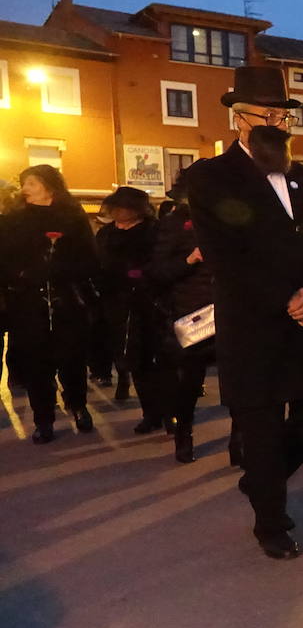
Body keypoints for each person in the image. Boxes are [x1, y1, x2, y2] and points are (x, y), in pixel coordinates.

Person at [185, 66, 303, 560]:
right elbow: (228, 258)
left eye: (283, 114)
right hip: (253, 325)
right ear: (238, 118)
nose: (278, 122)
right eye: (267, 114)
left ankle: (260, 481)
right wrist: (287, 298)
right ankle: (271, 521)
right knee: (264, 426)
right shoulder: (210, 179)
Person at [0, 165, 98, 442]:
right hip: (28, 302)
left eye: (31, 182)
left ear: (48, 185)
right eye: (24, 183)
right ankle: (43, 419)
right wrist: (21, 274)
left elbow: (89, 257)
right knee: (36, 364)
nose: (25, 188)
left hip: (66, 298)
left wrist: (64, 270)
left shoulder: (72, 217)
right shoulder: (14, 220)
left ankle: (78, 406)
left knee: (72, 359)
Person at [147, 177, 216, 463]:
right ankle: (183, 434)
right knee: (189, 380)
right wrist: (189, 260)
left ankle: (240, 441)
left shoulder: (225, 218)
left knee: (237, 380)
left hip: (229, 307)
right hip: (192, 313)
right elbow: (158, 272)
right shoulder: (173, 224)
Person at [95, 186, 164, 434]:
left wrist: (144, 276)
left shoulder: (153, 232)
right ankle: (151, 412)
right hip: (116, 302)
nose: (119, 212)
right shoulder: (106, 234)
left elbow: (161, 262)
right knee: (135, 360)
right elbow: (97, 262)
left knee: (155, 359)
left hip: (149, 303)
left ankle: (165, 410)